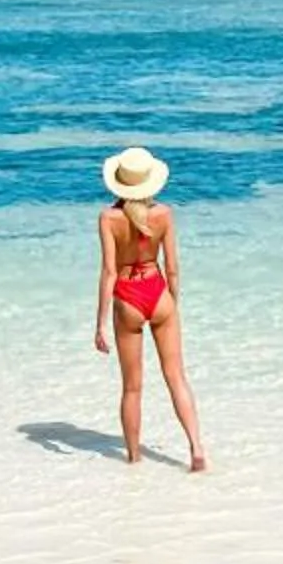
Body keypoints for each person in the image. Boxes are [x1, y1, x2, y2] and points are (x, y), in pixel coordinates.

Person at [95, 146, 208, 471]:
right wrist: (171, 303)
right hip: (158, 292)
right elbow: (172, 267)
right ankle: (197, 449)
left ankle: (133, 459)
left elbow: (109, 272)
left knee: (132, 386)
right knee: (176, 377)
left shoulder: (109, 218)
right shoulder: (164, 215)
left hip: (128, 296)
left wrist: (100, 323)